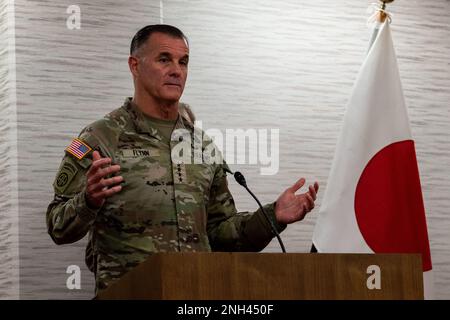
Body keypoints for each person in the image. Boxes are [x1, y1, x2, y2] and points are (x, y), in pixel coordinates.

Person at [46, 24, 319, 293]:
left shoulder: (202, 145)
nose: (176, 70)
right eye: (164, 59)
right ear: (135, 65)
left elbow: (220, 233)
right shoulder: (101, 138)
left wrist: (273, 216)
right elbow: (58, 226)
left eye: (183, 62)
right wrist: (89, 201)